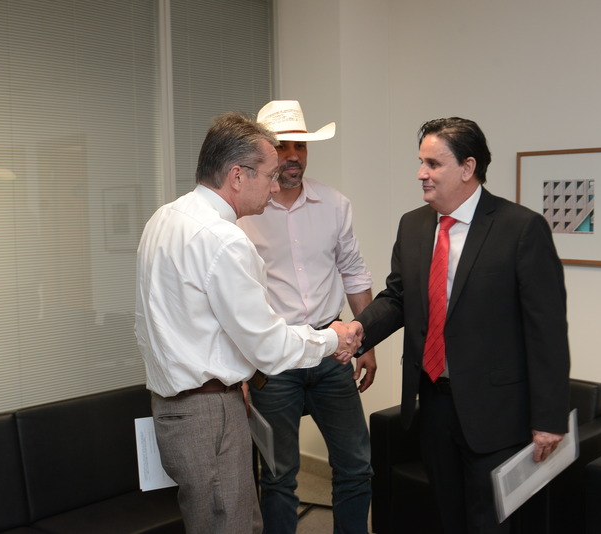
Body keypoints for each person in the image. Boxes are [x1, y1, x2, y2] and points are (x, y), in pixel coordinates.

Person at [135, 112, 361, 534]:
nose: (275, 187)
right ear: (238, 176)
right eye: (270, 175)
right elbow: (269, 346)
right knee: (231, 524)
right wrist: (333, 338)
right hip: (209, 413)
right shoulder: (224, 239)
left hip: (172, 409)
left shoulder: (164, 218)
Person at [350, 117, 571, 533]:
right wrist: (358, 331)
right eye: (421, 162)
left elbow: (547, 332)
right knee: (447, 517)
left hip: (497, 413)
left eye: (433, 164)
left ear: (468, 168)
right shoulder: (413, 225)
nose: (421, 173)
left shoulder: (521, 228)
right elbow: (398, 298)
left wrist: (549, 417)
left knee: (490, 524)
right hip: (434, 404)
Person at [237, 100, 375, 534]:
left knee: (356, 465)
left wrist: (367, 342)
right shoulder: (243, 215)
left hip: (332, 351)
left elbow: (354, 272)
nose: (293, 155)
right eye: (283, 147)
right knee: (278, 476)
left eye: (300, 146)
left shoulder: (334, 204)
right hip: (275, 358)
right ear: (264, 152)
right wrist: (239, 370)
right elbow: (232, 300)